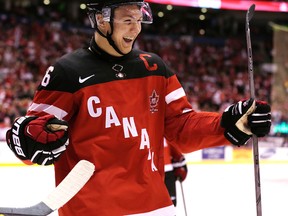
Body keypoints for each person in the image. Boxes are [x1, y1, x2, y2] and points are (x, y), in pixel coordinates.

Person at [5, 0, 271, 215]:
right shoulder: (67, 72)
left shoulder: (155, 68)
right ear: (101, 20)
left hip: (155, 205)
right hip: (91, 209)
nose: (135, 30)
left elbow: (182, 127)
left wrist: (228, 123)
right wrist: (30, 138)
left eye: (138, 20)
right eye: (127, 20)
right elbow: (36, 137)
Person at [164, 138, 188, 206]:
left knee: (170, 203)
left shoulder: (166, 137)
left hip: (167, 174)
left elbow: (176, 152)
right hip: (154, 175)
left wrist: (181, 167)